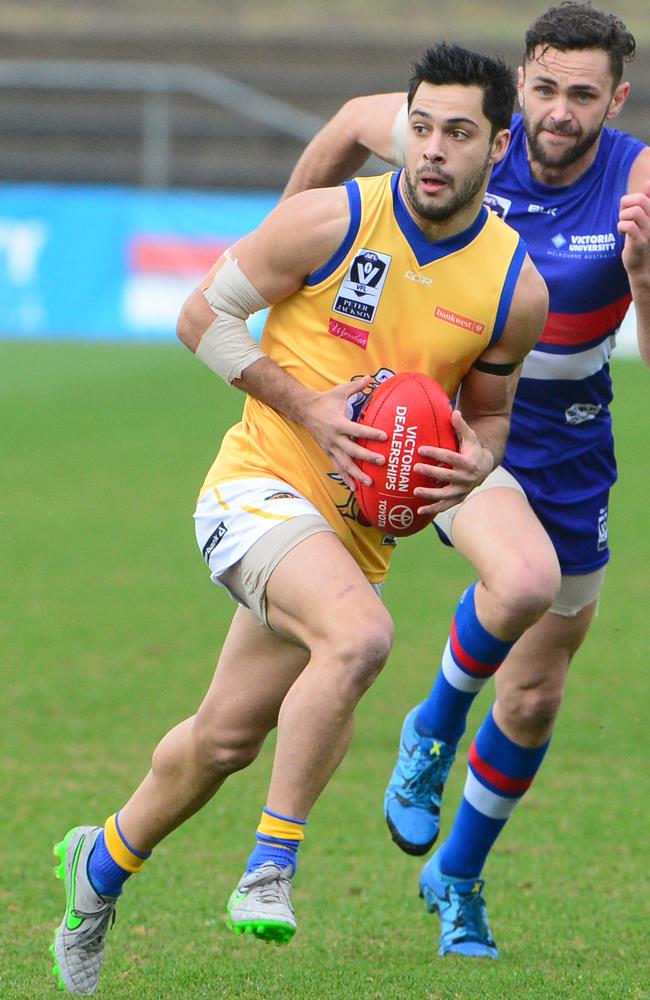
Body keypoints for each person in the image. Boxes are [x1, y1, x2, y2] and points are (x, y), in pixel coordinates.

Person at [49, 44, 556, 995]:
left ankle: (100, 866)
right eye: (423, 127)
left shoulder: (511, 287)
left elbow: (489, 416)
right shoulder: (331, 219)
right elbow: (203, 317)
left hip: (354, 534)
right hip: (256, 488)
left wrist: (473, 463)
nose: (434, 150)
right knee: (361, 639)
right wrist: (311, 407)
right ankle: (272, 864)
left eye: (460, 133)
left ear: (499, 145)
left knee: (223, 741)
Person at [283, 1, 650, 960]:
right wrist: (292, 262)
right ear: (521, 81)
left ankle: (456, 875)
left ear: (616, 98)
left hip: (569, 445)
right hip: (452, 430)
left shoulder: (639, 184)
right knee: (519, 581)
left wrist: (643, 274)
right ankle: (433, 723)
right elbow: (342, 131)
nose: (559, 112)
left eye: (583, 95)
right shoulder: (466, 133)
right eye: (545, 89)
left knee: (533, 697)